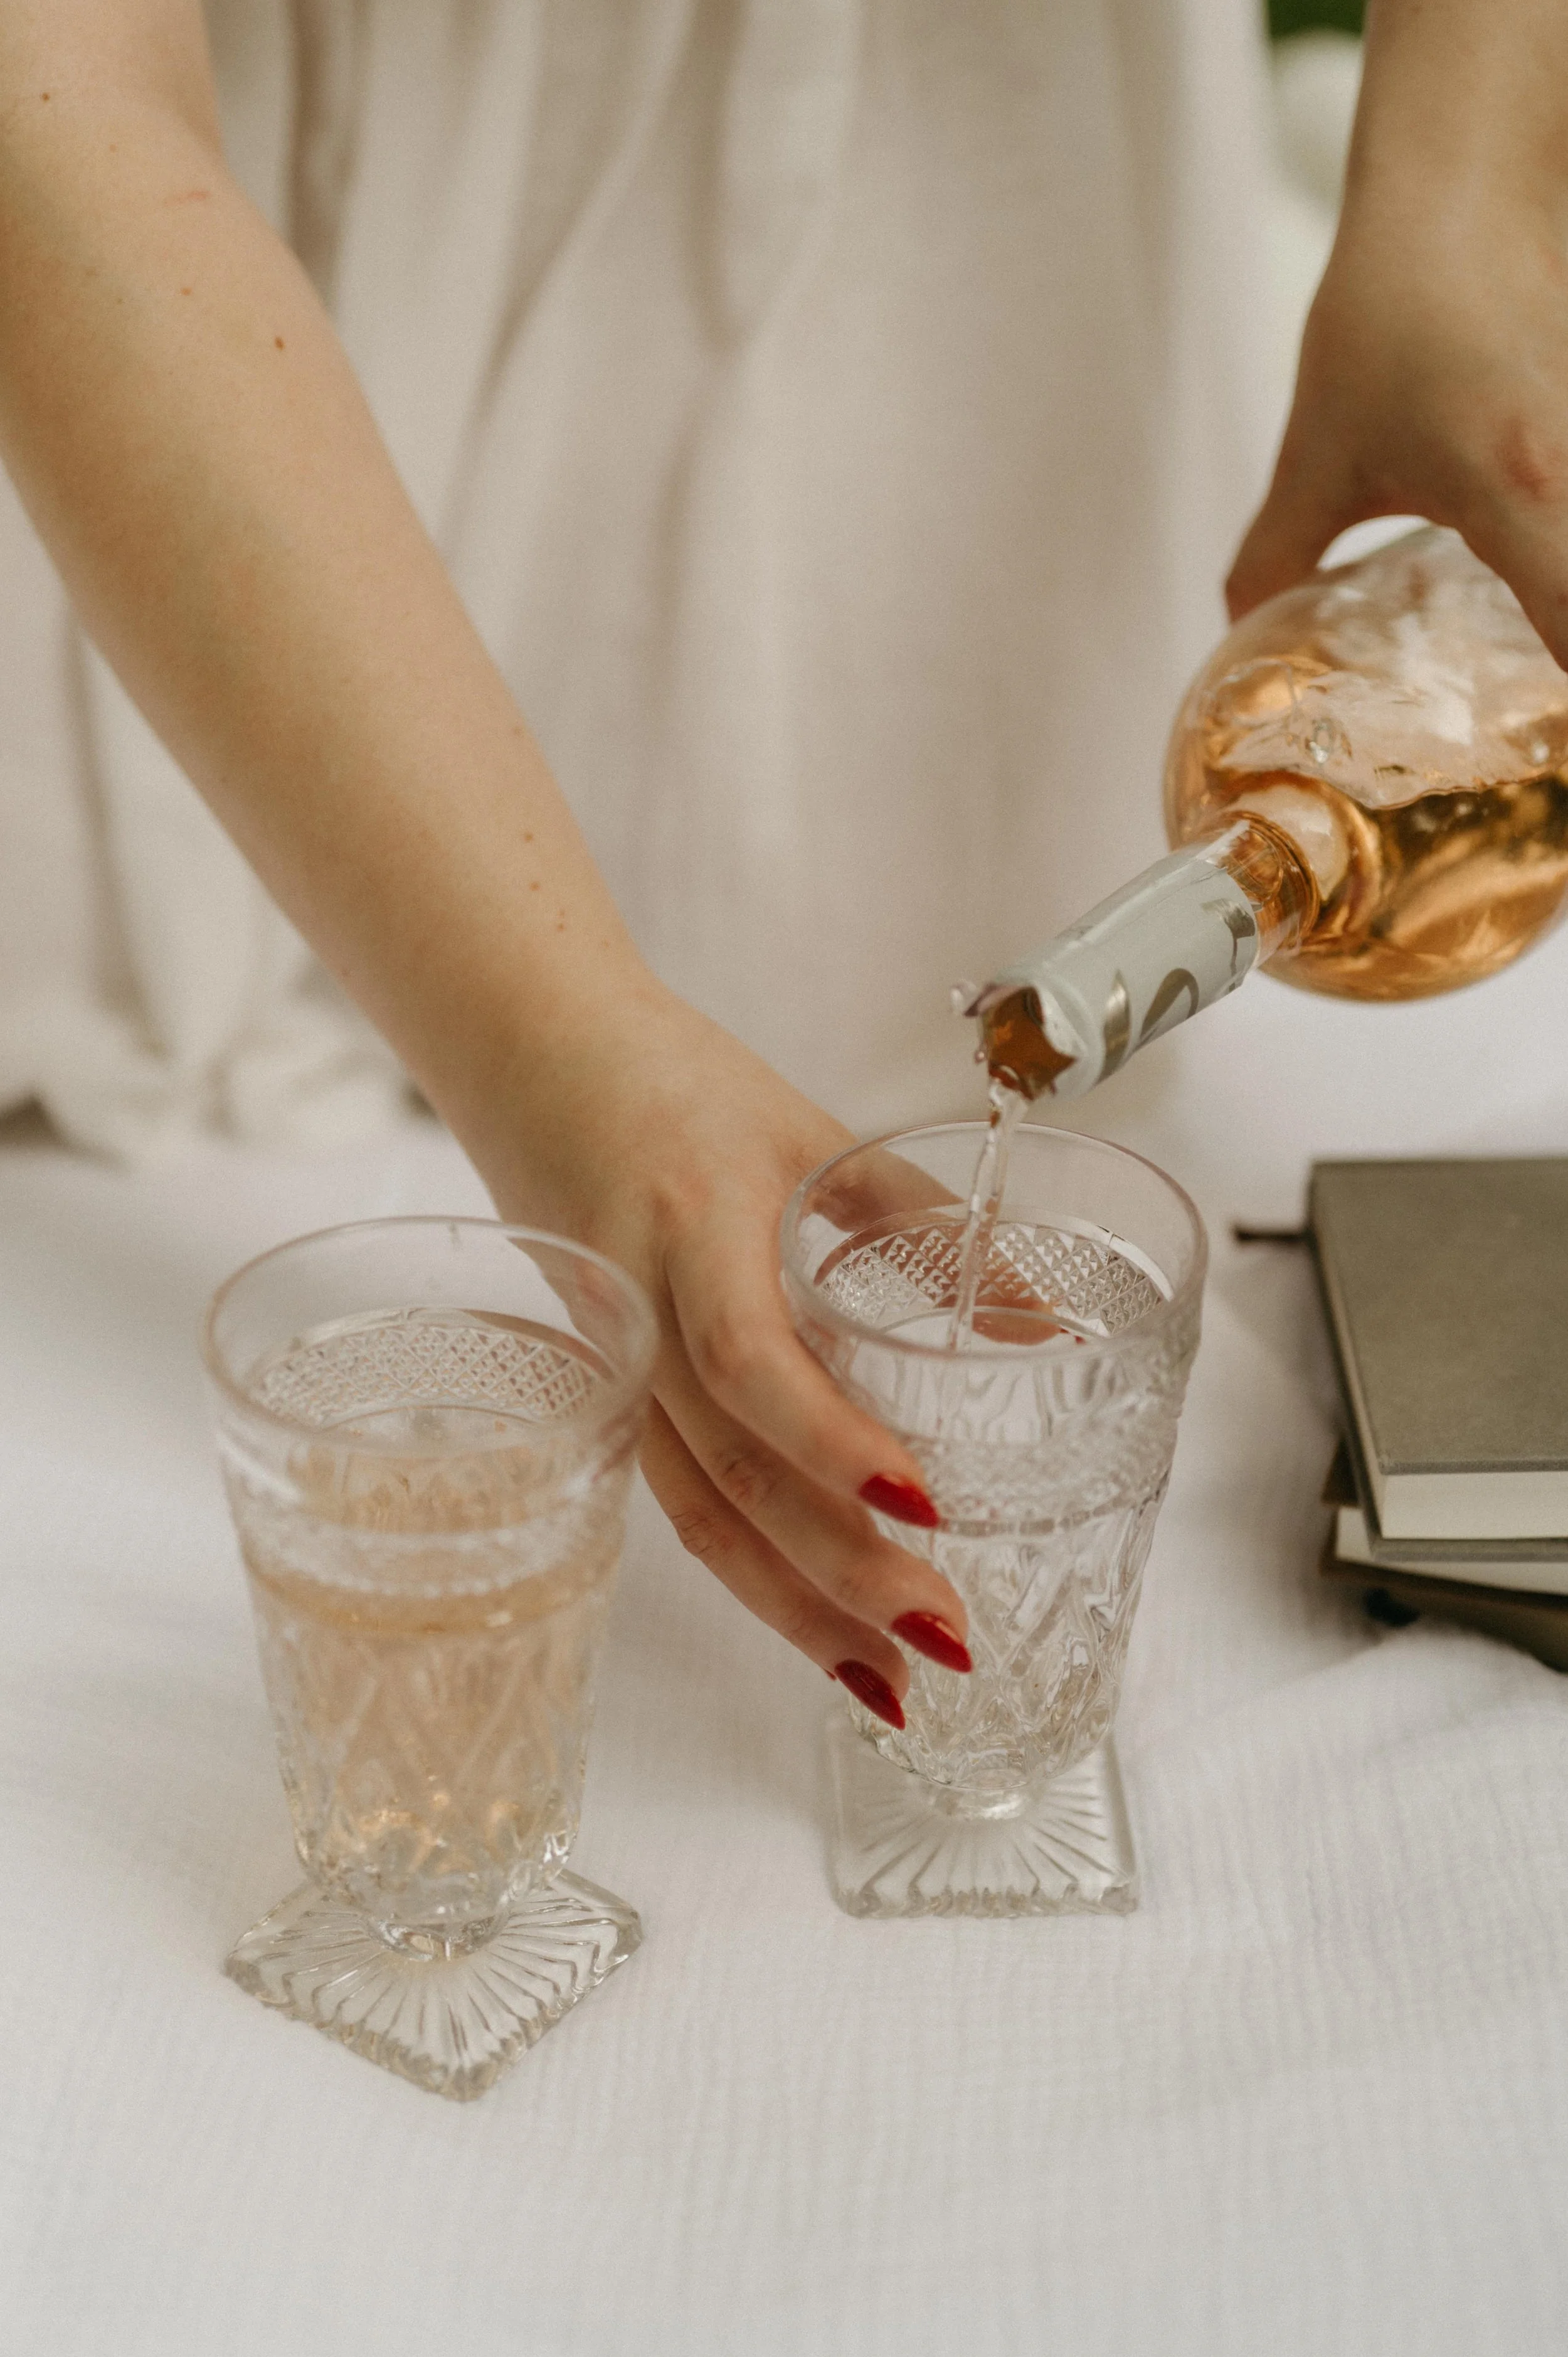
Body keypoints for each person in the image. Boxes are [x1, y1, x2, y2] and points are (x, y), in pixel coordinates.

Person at [1, 0, 1564, 1724]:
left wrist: (1459, 199)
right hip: (194, 381)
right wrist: (551, 1037)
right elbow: (53, 109)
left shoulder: (1269, 774)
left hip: (971, 305)